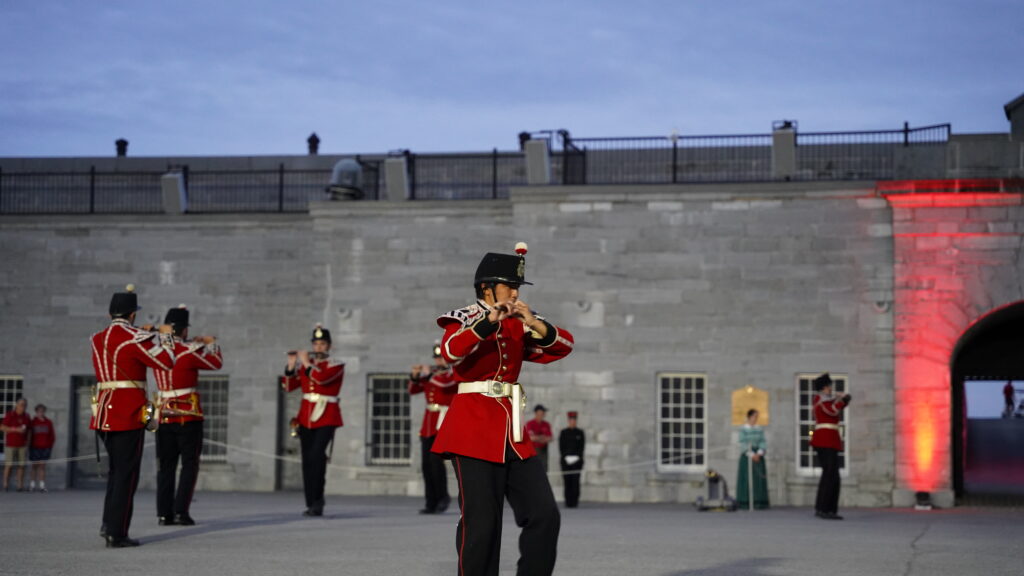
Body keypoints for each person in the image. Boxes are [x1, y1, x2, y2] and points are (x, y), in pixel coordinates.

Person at [432, 242, 575, 576]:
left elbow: (563, 347)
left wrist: (534, 323)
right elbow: (450, 351)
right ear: (486, 288)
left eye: (517, 287)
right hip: (472, 429)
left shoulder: (517, 322)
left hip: (511, 432)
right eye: (509, 286)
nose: (514, 293)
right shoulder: (466, 317)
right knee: (482, 524)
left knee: (544, 514)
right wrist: (487, 323)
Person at [91, 284, 175, 547]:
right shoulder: (136, 337)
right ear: (132, 315)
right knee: (127, 475)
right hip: (128, 412)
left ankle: (108, 523)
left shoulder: (97, 338)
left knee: (116, 472)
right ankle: (117, 532)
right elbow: (167, 361)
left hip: (104, 410)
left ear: (110, 314)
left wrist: (144, 335)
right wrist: (164, 337)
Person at [153, 305, 223, 526]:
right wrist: (211, 343)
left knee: (166, 467)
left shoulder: (157, 350)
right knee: (189, 465)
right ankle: (181, 511)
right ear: (183, 330)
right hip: (187, 415)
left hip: (163, 414)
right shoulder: (189, 351)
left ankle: (164, 514)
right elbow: (216, 363)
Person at [281, 324, 344, 516]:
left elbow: (322, 379)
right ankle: (311, 503)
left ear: (329, 346)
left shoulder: (335, 364)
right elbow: (289, 386)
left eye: (322, 344)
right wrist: (292, 365)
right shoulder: (305, 365)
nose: (318, 347)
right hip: (306, 417)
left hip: (326, 416)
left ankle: (318, 499)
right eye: (315, 344)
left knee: (317, 457)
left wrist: (306, 363)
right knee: (307, 460)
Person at [408, 341, 457, 514]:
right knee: (426, 464)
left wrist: (429, 375)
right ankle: (431, 501)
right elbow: (413, 389)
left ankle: (443, 496)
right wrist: (415, 376)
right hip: (428, 424)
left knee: (436, 462)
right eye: (437, 358)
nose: (439, 361)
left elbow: (445, 385)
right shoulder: (434, 374)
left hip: (443, 422)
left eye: (442, 358)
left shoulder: (453, 373)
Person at [811, 373, 851, 520]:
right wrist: (843, 399)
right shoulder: (819, 399)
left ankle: (829, 508)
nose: (830, 389)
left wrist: (845, 399)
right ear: (823, 387)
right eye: (828, 386)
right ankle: (823, 508)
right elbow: (832, 410)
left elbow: (837, 406)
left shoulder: (828, 399)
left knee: (833, 475)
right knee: (829, 474)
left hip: (831, 439)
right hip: (823, 439)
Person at [736, 408, 769, 510]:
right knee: (746, 478)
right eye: (754, 416)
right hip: (747, 456)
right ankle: (745, 501)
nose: (755, 419)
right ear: (749, 417)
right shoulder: (743, 429)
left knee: (758, 479)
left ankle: (759, 501)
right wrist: (751, 454)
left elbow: (763, 441)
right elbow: (742, 443)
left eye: (757, 417)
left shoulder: (759, 429)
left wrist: (759, 453)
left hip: (758, 456)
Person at [2, 397, 31, 492]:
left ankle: (20, 485)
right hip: (10, 444)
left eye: (25, 405)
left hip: (22, 445)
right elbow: (2, 427)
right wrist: (15, 429)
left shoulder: (26, 416)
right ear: (17, 405)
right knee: (9, 465)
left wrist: (28, 441)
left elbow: (29, 430)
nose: (23, 407)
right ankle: (5, 484)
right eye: (22, 405)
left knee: (21, 465)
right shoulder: (10, 415)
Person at [558, 411, 585, 509]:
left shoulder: (580, 433)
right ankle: (568, 501)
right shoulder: (564, 432)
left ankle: (575, 501)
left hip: (577, 461)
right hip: (566, 461)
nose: (572, 422)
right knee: (567, 481)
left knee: (575, 481)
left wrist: (576, 458)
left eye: (574, 420)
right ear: (568, 421)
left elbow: (581, 447)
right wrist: (566, 458)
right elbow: (561, 447)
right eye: (571, 420)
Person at [29, 404, 55, 493]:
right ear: (36, 412)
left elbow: (52, 435)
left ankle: (42, 485)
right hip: (35, 447)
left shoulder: (48, 422)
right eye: (39, 411)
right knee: (34, 466)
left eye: (42, 411)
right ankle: (32, 485)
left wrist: (50, 445)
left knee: (42, 466)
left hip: (45, 447)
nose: (41, 413)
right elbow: (29, 434)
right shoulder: (33, 422)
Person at [525, 404, 553, 472]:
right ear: (536, 413)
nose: (543, 414)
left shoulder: (546, 424)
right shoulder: (530, 423)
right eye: (542, 412)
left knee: (544, 469)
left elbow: (550, 438)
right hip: (533, 450)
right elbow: (530, 437)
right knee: (533, 469)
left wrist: (538, 438)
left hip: (543, 450)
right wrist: (541, 437)